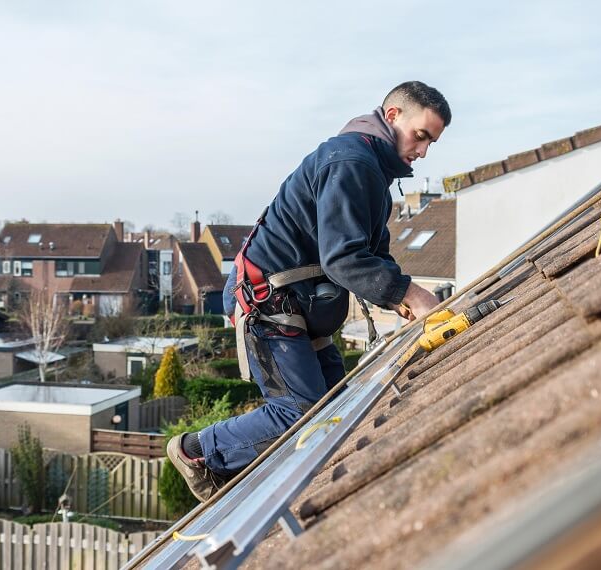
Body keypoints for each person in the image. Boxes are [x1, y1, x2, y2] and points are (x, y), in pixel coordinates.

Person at [167, 81, 451, 501]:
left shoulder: (371, 173)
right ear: (393, 117)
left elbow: (373, 254)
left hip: (302, 304)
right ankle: (197, 452)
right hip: (269, 303)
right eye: (421, 136)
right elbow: (342, 259)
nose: (423, 151)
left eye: (432, 142)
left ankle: (278, 481)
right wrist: (408, 294)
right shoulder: (351, 163)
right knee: (303, 415)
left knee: (338, 411)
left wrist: (396, 294)